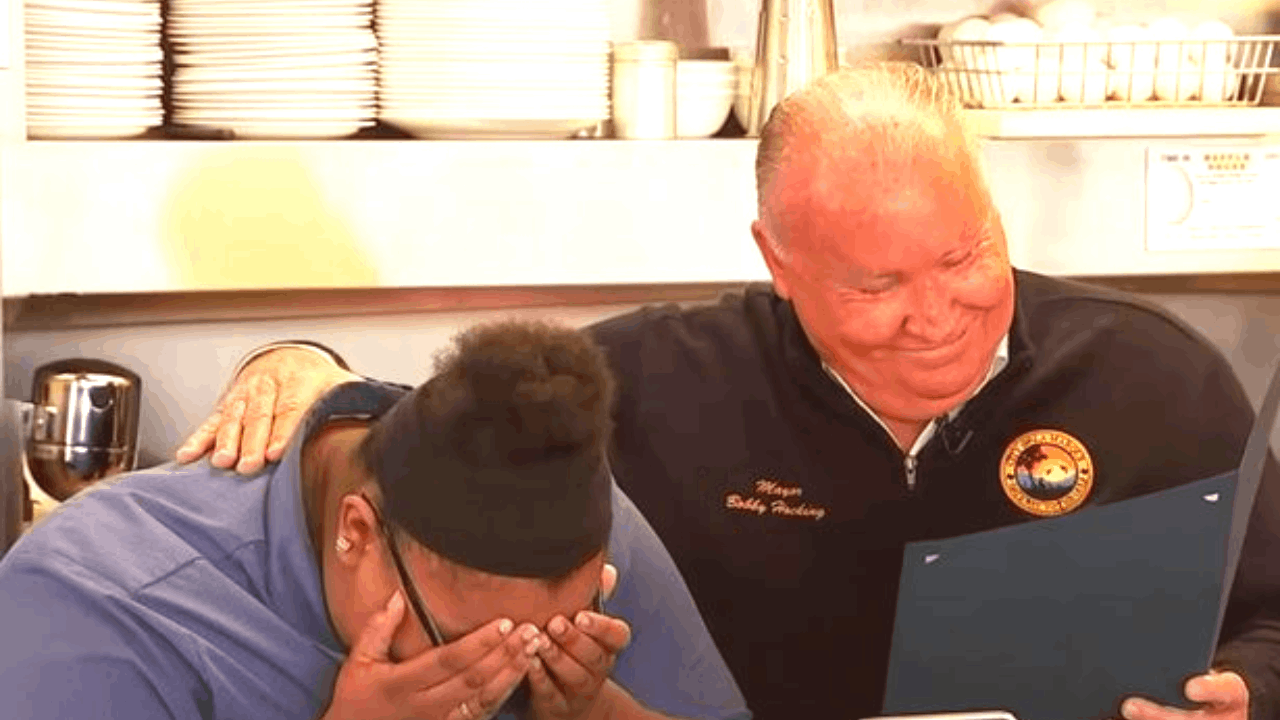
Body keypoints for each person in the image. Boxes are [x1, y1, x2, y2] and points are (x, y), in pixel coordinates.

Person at [177, 64, 1280, 720]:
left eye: (963, 258)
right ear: (777, 259)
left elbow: (1274, 612)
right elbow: (435, 452)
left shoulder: (1154, 377)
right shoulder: (654, 380)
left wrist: (1246, 689)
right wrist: (305, 367)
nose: (935, 313)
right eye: (875, 284)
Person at [0, 321, 749, 720]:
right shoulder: (93, 602)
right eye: (466, 640)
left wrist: (597, 715)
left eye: (558, 629)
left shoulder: (568, 514)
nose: (510, 668)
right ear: (357, 531)